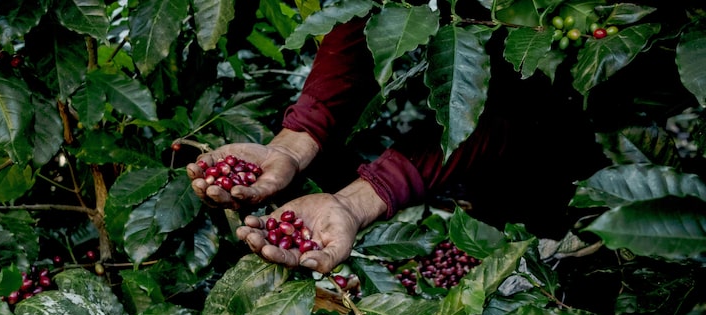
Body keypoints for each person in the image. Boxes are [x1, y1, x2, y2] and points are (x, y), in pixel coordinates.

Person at [187, 15, 600, 274]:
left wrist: (360, 197)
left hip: (583, 170)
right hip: (484, 175)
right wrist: (293, 144)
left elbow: (511, 119)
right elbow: (364, 23)